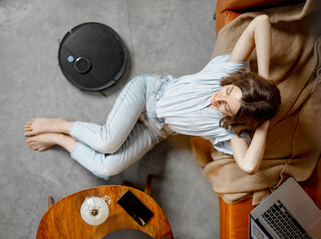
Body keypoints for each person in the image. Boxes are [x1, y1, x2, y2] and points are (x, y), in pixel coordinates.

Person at [24, 15, 280, 179]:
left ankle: (59, 139)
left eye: (226, 107)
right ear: (236, 83)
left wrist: (262, 127)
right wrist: (265, 78)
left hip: (158, 129)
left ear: (237, 120)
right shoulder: (231, 70)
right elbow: (261, 22)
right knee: (107, 143)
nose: (218, 99)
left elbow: (249, 166)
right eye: (227, 92)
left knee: (106, 169)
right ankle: (62, 125)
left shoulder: (231, 132)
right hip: (148, 94)